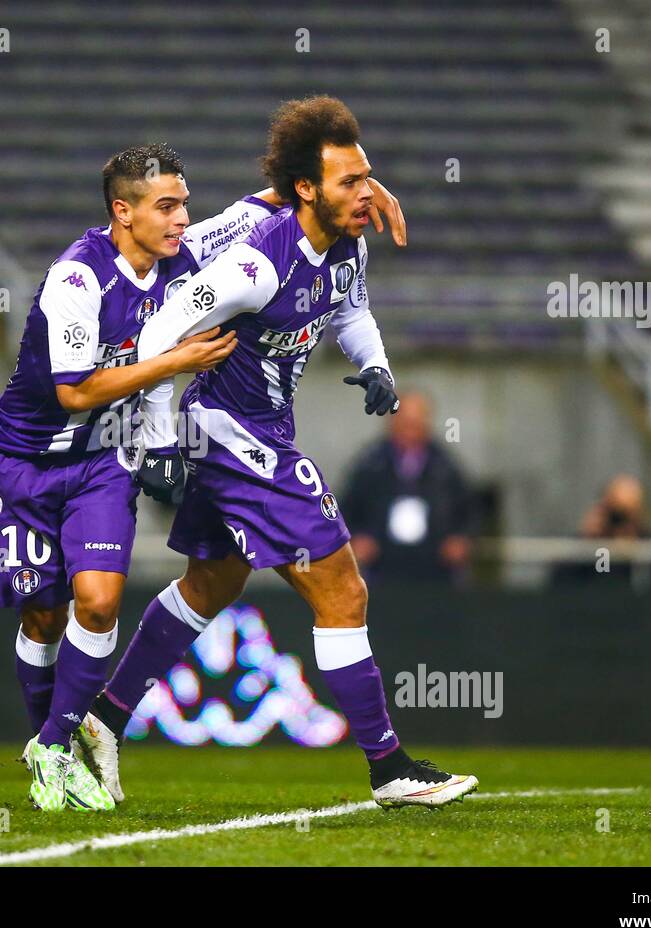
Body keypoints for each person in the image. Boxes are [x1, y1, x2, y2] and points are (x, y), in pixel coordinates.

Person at [75, 95, 477, 808]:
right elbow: (166, 325)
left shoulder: (346, 242)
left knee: (214, 582)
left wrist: (376, 364)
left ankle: (103, 720)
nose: (365, 195)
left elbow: (351, 309)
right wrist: (159, 431)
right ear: (304, 190)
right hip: (230, 432)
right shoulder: (257, 262)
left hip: (259, 427)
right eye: (349, 183)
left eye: (368, 178)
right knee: (344, 589)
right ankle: (389, 768)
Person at [0, 142, 288, 811]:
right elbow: (77, 391)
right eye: (166, 206)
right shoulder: (78, 280)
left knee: (97, 601)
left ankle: (57, 749)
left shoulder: (181, 253)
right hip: (20, 461)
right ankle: (50, 750)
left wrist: (342, 188)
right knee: (44, 614)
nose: (181, 218)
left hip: (99, 462)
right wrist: (174, 364)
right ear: (123, 212)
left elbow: (250, 211)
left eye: (183, 203)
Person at [343, 390, 474, 585]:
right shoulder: (370, 464)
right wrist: (356, 539)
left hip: (435, 571)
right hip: (381, 570)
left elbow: (469, 510)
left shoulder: (445, 466)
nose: (410, 430)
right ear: (391, 422)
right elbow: (345, 508)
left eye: (416, 423)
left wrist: (461, 540)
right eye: (405, 423)